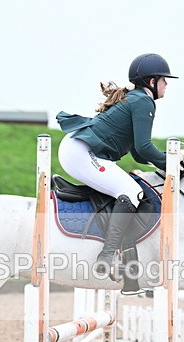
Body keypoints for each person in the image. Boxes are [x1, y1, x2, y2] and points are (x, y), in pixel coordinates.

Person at [56, 53, 177, 272]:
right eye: (163, 80)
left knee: (128, 188)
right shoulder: (143, 101)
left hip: (77, 148)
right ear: (152, 82)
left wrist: (163, 164)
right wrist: (175, 163)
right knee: (131, 191)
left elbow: (139, 155)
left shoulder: (135, 98)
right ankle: (107, 256)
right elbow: (144, 148)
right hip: (80, 151)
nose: (166, 85)